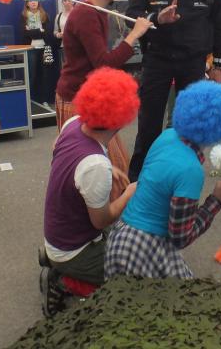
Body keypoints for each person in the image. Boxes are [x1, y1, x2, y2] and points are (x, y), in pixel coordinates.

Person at [125, 0, 221, 182]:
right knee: (148, 123)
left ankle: (184, 177)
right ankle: (138, 181)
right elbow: (130, 15)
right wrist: (155, 18)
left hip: (193, 61)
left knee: (190, 123)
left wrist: (218, 64)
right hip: (157, 58)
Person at [105, 81, 221, 279]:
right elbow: (180, 238)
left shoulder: (167, 136)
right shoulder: (190, 170)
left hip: (120, 236)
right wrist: (216, 200)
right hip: (144, 248)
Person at [55, 0, 153, 199]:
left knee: (113, 170)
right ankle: (95, 226)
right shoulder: (86, 14)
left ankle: (102, 223)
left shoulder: (97, 11)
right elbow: (103, 63)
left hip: (88, 99)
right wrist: (134, 35)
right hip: (77, 101)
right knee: (98, 172)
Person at [40, 68, 139, 314]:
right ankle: (65, 281)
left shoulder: (74, 124)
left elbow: (62, 155)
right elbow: (100, 221)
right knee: (135, 277)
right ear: (121, 120)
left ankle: (54, 259)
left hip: (57, 234)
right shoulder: (95, 165)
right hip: (75, 248)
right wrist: (128, 194)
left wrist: (101, 172)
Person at [21, 0, 53, 106]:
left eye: (35, 0)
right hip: (31, 49)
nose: (33, 2)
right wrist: (39, 31)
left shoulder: (44, 15)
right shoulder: (24, 16)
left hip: (44, 48)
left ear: (38, 3)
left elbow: (47, 33)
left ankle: (44, 100)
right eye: (31, 1)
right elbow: (25, 34)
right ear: (27, 4)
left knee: (44, 74)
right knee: (31, 74)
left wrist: (32, 31)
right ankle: (29, 100)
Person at [54, 0, 74, 64]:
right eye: (65, 0)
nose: (67, 2)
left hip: (77, 46)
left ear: (73, 2)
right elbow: (55, 31)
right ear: (62, 2)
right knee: (66, 68)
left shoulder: (78, 15)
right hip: (64, 47)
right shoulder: (58, 16)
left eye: (69, 0)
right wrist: (58, 35)